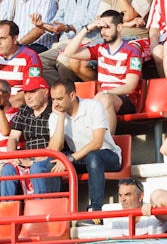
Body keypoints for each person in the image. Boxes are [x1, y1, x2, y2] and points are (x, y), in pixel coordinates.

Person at [46, 72, 121, 212]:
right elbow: (55, 149)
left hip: (108, 155)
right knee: (48, 163)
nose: (55, 104)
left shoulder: (93, 106)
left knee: (93, 156)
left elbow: (97, 143)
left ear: (72, 95)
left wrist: (69, 159)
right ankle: (53, 211)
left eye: (60, 99)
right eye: (53, 99)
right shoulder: (55, 115)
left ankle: (95, 209)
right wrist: (61, 118)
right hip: (79, 158)